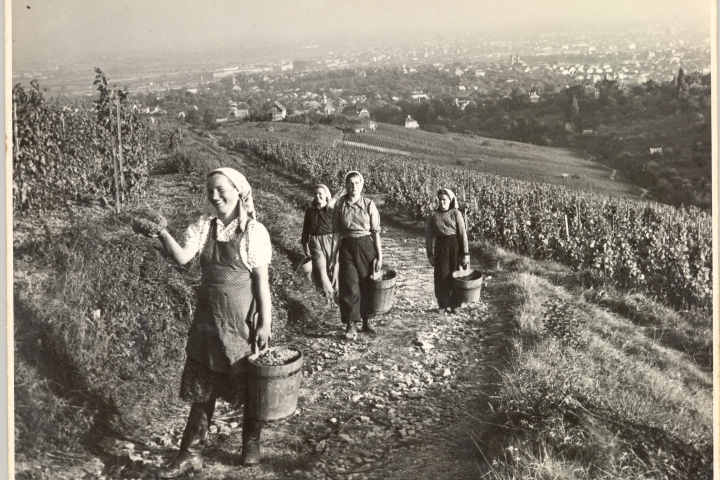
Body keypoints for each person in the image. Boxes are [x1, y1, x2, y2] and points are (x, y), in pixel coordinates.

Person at [150, 167, 272, 477]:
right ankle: (190, 453)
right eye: (210, 191)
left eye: (221, 189)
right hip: (208, 323)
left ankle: (250, 444)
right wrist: (161, 232)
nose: (214, 195)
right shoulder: (204, 228)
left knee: (249, 385)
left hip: (241, 325)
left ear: (239, 191)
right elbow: (181, 258)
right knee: (202, 388)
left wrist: (264, 323)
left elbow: (261, 285)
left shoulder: (253, 232)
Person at [330, 171, 382, 339]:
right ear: (346, 185)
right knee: (349, 284)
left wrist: (379, 256)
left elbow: (375, 233)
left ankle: (367, 320)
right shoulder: (339, 205)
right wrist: (332, 257)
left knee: (367, 283)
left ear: (362, 184)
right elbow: (336, 233)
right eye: (350, 183)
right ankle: (351, 324)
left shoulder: (368, 205)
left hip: (366, 245)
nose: (353, 186)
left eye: (357, 183)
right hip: (346, 246)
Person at [425, 188, 469, 313]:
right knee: (441, 276)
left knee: (456, 275)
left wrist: (465, 253)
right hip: (440, 247)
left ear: (450, 200)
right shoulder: (433, 214)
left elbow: (462, 234)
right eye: (440, 200)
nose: (442, 203)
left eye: (444, 200)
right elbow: (429, 236)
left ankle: (455, 304)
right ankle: (443, 304)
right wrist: (430, 254)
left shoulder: (456, 213)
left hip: (455, 247)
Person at [301, 184, 338, 301]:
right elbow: (305, 228)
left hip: (331, 240)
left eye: (320, 194)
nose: (317, 196)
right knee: (321, 267)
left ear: (326, 195)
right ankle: (328, 295)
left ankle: (336, 292)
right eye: (315, 194)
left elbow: (340, 227)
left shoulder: (332, 209)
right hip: (315, 241)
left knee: (333, 267)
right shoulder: (310, 210)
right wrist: (304, 243)